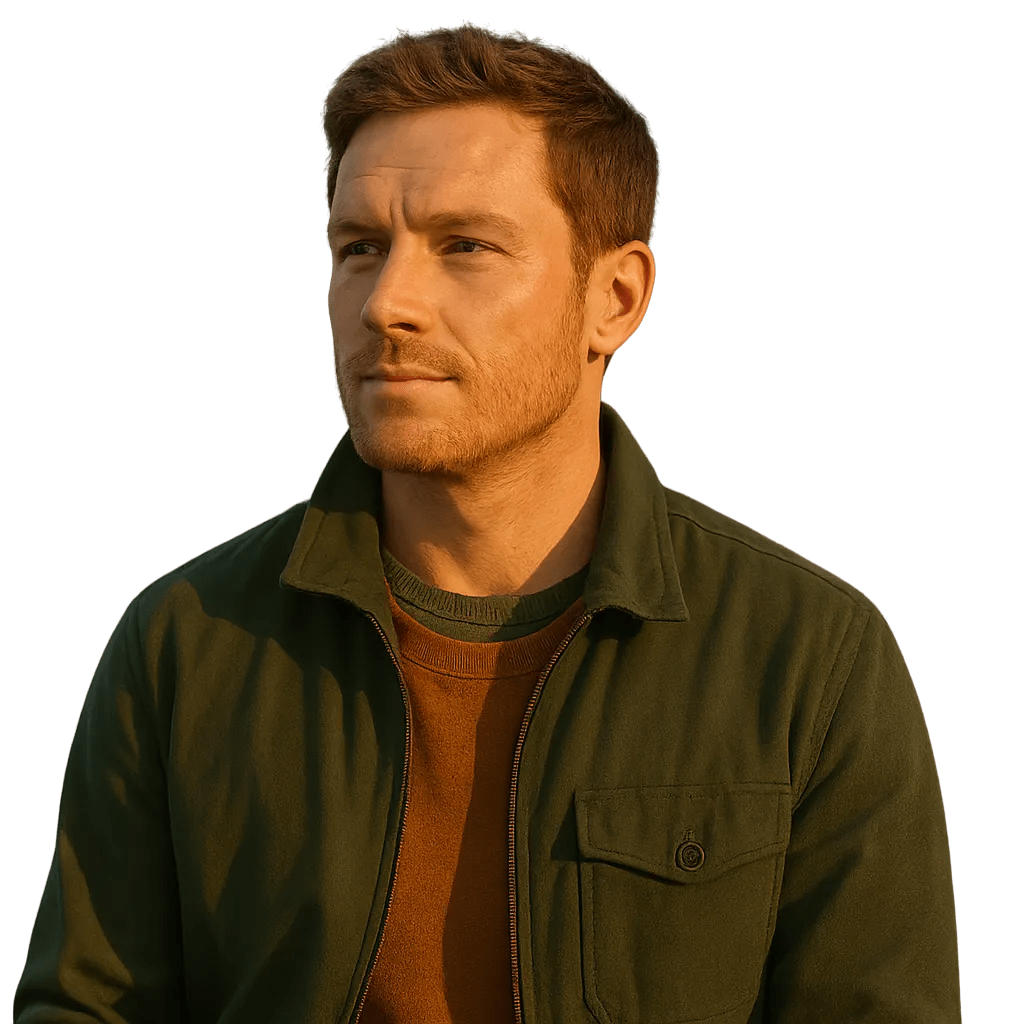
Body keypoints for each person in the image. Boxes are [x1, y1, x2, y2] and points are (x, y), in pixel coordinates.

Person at [14, 21, 961, 1024]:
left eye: (465, 246)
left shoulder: (809, 659)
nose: (387, 303)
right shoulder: (187, 643)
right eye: (359, 248)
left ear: (615, 298)